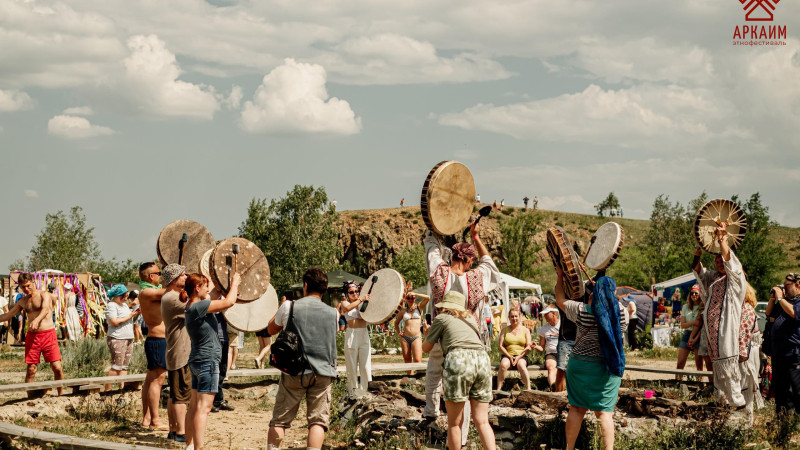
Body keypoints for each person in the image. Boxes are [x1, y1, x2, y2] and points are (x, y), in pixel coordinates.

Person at [423, 220, 500, 447]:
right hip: (472, 339)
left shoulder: (439, 273)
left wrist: (436, 225)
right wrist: (476, 237)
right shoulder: (476, 277)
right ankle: (463, 439)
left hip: (442, 334)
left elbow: (431, 247)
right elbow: (490, 264)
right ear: (467, 260)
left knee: (433, 374)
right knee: (469, 402)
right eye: (471, 261)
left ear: (453, 257)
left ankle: (430, 413)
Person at [555, 268, 627, 450]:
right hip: (606, 368)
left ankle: (569, 448)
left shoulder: (581, 311)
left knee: (577, 409)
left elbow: (560, 300)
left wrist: (561, 276)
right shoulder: (621, 315)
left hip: (579, 366)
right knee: (604, 413)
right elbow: (615, 306)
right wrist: (603, 290)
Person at [266, 268, 338, 450]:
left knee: (280, 420)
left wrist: (282, 308)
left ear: (305, 285)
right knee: (317, 422)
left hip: (293, 370)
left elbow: (271, 329)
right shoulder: (333, 313)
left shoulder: (290, 306)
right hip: (322, 372)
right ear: (325, 288)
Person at [422, 291, 495, 450]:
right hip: (482, 360)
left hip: (459, 360)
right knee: (482, 420)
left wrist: (427, 333)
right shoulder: (471, 319)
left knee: (455, 422)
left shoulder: (441, 318)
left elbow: (426, 348)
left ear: (445, 306)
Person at [691, 226, 747, 409]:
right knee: (718, 368)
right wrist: (698, 254)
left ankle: (736, 402)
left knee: (728, 365)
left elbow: (731, 262)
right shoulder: (714, 278)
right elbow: (698, 271)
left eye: (722, 260)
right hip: (713, 332)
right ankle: (721, 400)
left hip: (726, 328)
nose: (719, 263)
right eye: (716, 261)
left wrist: (722, 239)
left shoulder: (735, 278)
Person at [183, 272, 241, 450]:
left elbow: (215, 296)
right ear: (197, 288)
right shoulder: (198, 306)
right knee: (203, 408)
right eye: (205, 285)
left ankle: (189, 445)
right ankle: (199, 448)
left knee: (194, 406)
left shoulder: (193, 305)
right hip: (207, 361)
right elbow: (228, 302)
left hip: (198, 360)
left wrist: (222, 282)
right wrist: (235, 284)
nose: (208, 289)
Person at [0, 273, 64, 394]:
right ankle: (28, 398)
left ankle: (60, 395)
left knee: (57, 367)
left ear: (33, 282)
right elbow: (8, 315)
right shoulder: (22, 301)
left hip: (48, 334)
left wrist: (37, 320)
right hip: (33, 337)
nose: (26, 289)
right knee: (31, 369)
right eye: (23, 287)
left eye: (28, 285)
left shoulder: (45, 295)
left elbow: (46, 309)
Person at [160, 264, 191, 442]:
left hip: (176, 352)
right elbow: (200, 307)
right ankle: (180, 433)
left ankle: (173, 430)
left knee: (174, 394)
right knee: (181, 396)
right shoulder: (173, 298)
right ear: (174, 279)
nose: (185, 277)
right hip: (180, 353)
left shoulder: (169, 296)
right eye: (183, 275)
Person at [138, 262, 169, 430]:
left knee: (150, 380)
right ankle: (155, 420)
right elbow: (170, 292)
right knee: (157, 381)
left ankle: (147, 417)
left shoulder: (149, 291)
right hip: (158, 341)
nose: (161, 276)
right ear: (151, 276)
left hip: (157, 340)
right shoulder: (147, 292)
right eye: (159, 273)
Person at [769, 273, 800, 415]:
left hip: (793, 353)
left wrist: (781, 297)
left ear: (797, 285)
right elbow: (769, 314)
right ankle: (782, 418)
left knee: (797, 388)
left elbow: (794, 313)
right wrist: (773, 298)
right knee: (780, 388)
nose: (784, 289)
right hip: (778, 352)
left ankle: (797, 421)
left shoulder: (796, 302)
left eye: (786, 286)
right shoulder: (783, 302)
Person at [105, 285, 139, 391]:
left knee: (124, 366)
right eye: (124, 296)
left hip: (128, 337)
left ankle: (122, 388)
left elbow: (129, 320)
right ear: (118, 295)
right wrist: (129, 316)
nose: (126, 298)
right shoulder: (111, 306)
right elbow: (114, 322)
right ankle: (108, 389)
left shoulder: (124, 306)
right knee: (117, 365)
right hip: (117, 337)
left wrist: (135, 314)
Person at [340, 280, 372, 392]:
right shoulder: (345, 303)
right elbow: (347, 309)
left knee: (365, 365)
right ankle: (352, 391)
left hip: (363, 333)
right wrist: (360, 300)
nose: (354, 294)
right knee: (351, 365)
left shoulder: (364, 303)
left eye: (356, 291)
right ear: (347, 294)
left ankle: (366, 390)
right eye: (351, 292)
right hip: (352, 334)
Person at [738, 282, 763, 425]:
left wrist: (741, 354)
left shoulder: (747, 309)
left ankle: (747, 421)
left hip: (747, 351)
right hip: (745, 349)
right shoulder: (742, 309)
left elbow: (743, 336)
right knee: (743, 385)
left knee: (747, 384)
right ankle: (745, 419)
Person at [395, 284, 430, 375]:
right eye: (409, 298)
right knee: (407, 360)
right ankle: (409, 380)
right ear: (405, 299)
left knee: (418, 360)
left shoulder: (419, 307)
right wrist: (399, 332)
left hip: (416, 337)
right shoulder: (403, 311)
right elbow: (396, 323)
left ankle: (418, 379)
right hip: (405, 337)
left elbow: (428, 298)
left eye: (412, 297)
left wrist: (416, 294)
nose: (411, 299)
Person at [497, 309, 532, 391]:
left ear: (519, 317)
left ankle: (529, 389)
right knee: (503, 365)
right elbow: (500, 346)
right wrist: (509, 356)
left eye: (516, 316)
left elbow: (528, 347)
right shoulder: (504, 330)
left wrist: (518, 357)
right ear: (509, 318)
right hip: (508, 354)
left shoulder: (525, 330)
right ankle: (498, 389)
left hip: (522, 355)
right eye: (512, 316)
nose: (514, 318)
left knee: (521, 365)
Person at [676, 285, 702, 379]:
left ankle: (701, 385)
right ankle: (677, 383)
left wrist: (695, 337)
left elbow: (701, 325)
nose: (694, 295)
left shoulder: (702, 306)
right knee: (680, 363)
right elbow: (682, 325)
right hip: (687, 333)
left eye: (696, 293)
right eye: (692, 293)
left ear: (700, 294)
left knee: (699, 365)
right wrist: (693, 322)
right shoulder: (686, 307)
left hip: (699, 335)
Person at [212, 312, 234, 413]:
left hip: (223, 337)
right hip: (212, 339)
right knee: (212, 371)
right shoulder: (209, 299)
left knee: (222, 371)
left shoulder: (222, 299)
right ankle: (208, 402)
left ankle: (218, 400)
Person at [534, 306, 560, 389]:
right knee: (551, 367)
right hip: (551, 353)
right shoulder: (543, 328)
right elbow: (542, 348)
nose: (544, 316)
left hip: (563, 352)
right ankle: (553, 387)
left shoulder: (562, 325)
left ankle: (562, 388)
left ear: (554, 314)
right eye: (544, 314)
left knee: (563, 369)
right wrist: (535, 346)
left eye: (546, 314)